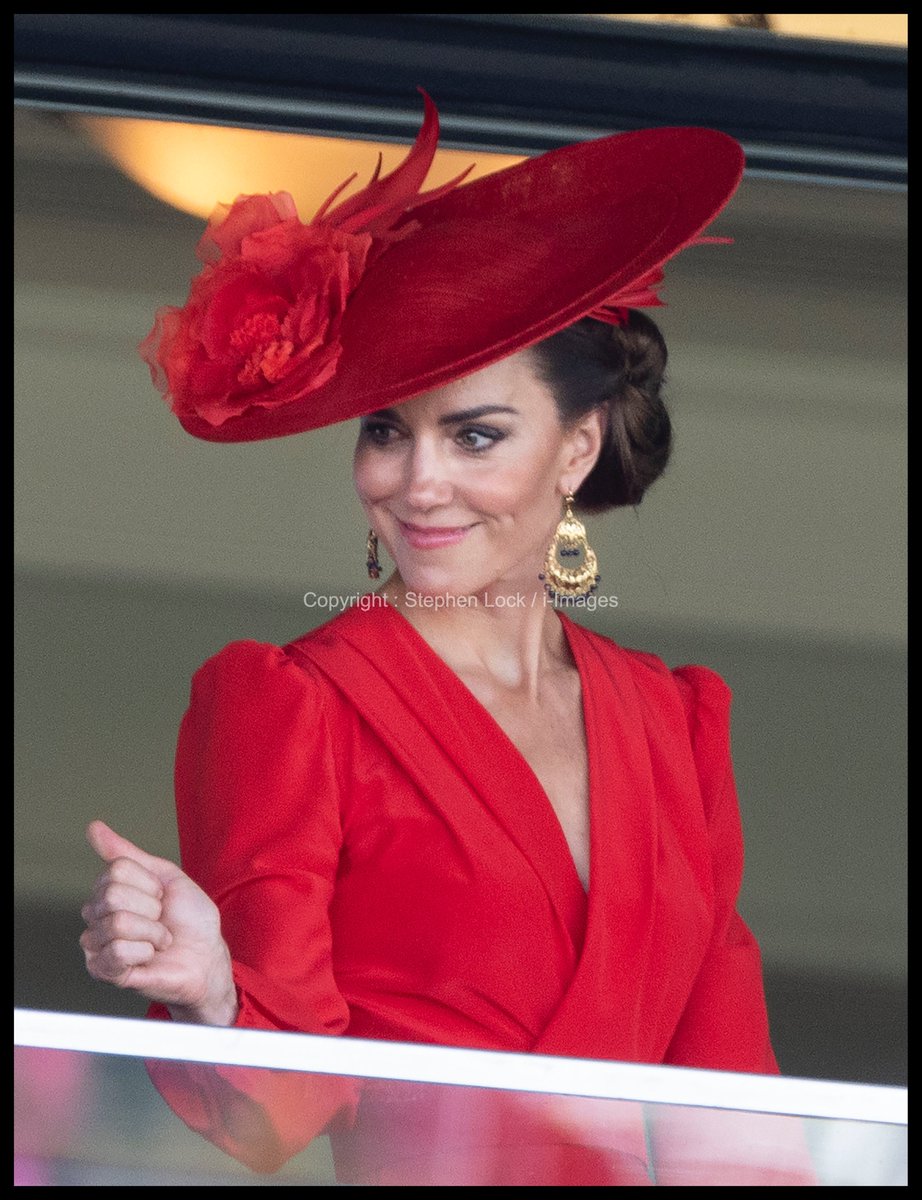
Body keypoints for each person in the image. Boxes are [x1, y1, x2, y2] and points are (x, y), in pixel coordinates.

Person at [79, 93, 814, 1185]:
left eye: (475, 435)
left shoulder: (676, 720)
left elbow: (733, 1109)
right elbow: (275, 1113)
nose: (418, 485)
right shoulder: (288, 703)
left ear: (575, 450)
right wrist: (212, 988)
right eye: (388, 433)